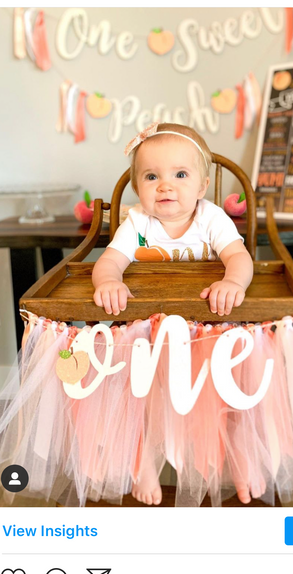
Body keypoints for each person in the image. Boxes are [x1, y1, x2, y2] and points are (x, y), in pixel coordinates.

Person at [92, 122, 254, 504]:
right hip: (152, 331)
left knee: (231, 397)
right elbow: (109, 261)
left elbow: (239, 258)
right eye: (152, 176)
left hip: (209, 328)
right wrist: (108, 282)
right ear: (138, 188)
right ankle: (144, 461)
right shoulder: (139, 223)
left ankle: (242, 463)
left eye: (180, 174)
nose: (165, 185)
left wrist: (233, 283)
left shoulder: (211, 218)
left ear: (200, 187)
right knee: (143, 396)